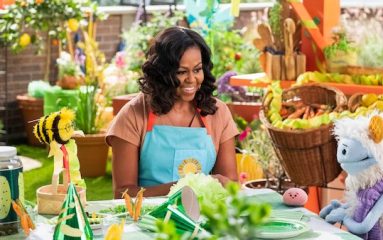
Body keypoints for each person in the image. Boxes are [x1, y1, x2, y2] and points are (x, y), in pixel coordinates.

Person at [106, 26, 239, 198]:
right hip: (149, 220)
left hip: (203, 218)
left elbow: (230, 184)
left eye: (197, 70)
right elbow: (122, 192)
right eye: (181, 72)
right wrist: (185, 188)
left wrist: (223, 184)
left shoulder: (217, 112)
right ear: (162, 74)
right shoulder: (133, 115)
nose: (191, 79)